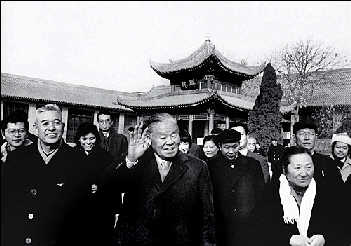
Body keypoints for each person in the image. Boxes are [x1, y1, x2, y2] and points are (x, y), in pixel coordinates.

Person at [112, 113, 216, 246]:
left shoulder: (197, 167)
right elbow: (110, 187)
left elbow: (207, 218)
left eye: (174, 135)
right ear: (149, 138)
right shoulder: (137, 162)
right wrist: (130, 160)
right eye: (163, 137)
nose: (170, 141)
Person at [1, 104, 86, 246]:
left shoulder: (79, 161)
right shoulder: (16, 159)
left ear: (63, 127)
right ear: (35, 128)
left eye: (56, 123)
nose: (51, 128)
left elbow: (82, 215)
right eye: (45, 123)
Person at [256, 146, 348, 246]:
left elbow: (342, 228)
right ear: (284, 170)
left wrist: (325, 238)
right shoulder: (271, 194)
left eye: (308, 167)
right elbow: (259, 230)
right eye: (298, 168)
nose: (304, 173)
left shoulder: (327, 193)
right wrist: (287, 239)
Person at [208, 129, 264, 246]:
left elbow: (260, 194)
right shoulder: (210, 166)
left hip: (247, 225)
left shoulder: (252, 165)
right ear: (219, 146)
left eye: (235, 146)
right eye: (226, 147)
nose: (231, 151)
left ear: (240, 144)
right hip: (221, 225)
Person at [73, 122, 121, 246]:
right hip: (77, 209)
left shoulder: (106, 157)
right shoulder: (71, 156)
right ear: (79, 139)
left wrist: (100, 187)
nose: (88, 142)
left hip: (100, 209)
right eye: (84, 139)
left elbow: (114, 184)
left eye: (92, 138)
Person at [293, 120, 343, 188]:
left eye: (311, 134)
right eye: (302, 134)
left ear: (316, 137)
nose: (307, 138)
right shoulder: (285, 162)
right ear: (294, 138)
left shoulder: (328, 163)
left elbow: (339, 190)